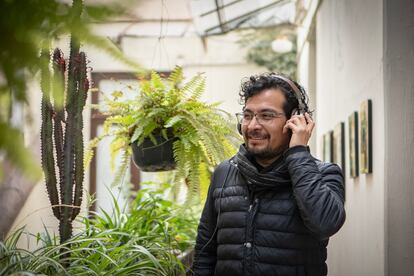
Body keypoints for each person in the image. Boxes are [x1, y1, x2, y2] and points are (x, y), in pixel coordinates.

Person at [192, 73, 346, 276]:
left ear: (295, 120)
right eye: (247, 116)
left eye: (266, 116)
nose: (253, 126)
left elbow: (326, 224)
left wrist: (298, 152)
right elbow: (205, 250)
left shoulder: (324, 174)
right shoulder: (225, 172)